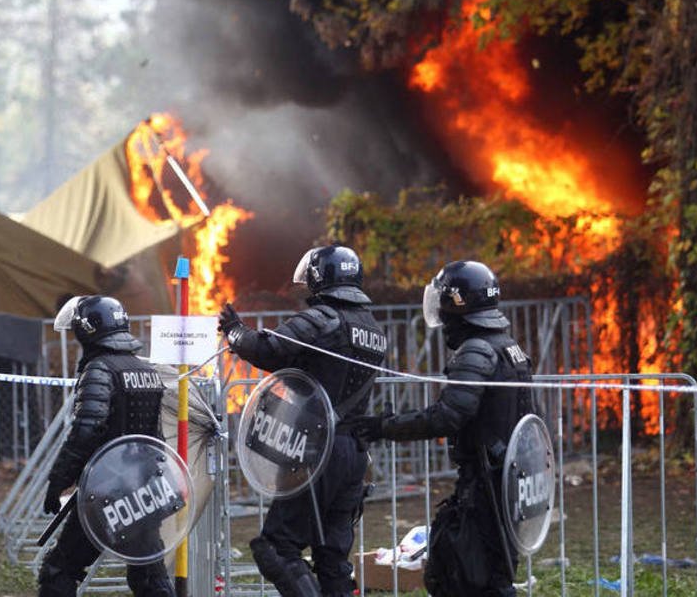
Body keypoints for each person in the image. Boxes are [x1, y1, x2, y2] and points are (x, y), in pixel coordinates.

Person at [349, 260, 535, 597]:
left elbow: (447, 416)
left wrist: (384, 426)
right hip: (507, 479)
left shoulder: (477, 350)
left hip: (486, 484)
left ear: (456, 305)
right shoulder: (509, 347)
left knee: (462, 576)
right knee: (489, 574)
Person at [219, 244, 388, 597]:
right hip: (354, 454)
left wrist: (235, 331)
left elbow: (269, 349)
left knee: (277, 547)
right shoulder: (373, 327)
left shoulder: (323, 318)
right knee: (332, 558)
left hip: (317, 450)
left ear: (320, 278)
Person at [39, 295, 174, 597]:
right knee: (150, 578)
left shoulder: (100, 370)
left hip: (106, 492)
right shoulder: (145, 371)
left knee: (59, 570)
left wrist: (58, 481)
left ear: (88, 330)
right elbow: (156, 438)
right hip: (142, 490)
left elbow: (85, 432)